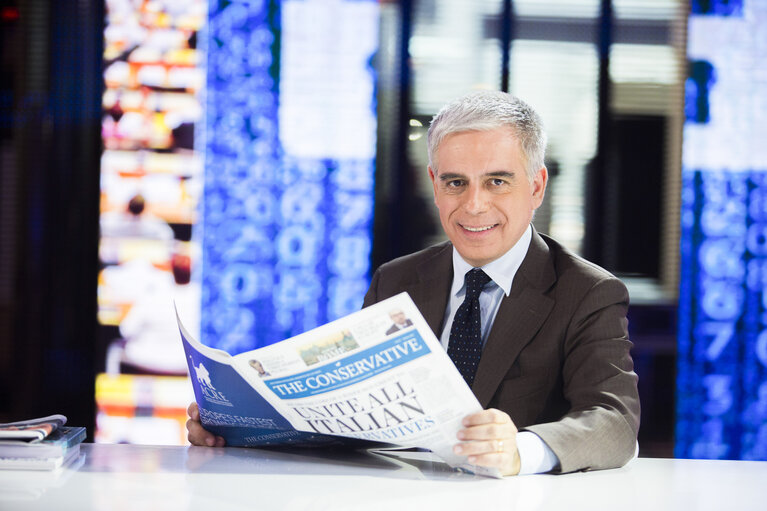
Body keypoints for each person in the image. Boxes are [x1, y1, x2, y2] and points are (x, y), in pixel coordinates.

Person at [187, 90, 640, 476]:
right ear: (433, 184)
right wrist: (238, 427)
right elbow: (346, 416)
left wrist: (522, 450)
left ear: (537, 186)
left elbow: (614, 421)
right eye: (455, 183)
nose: (474, 205)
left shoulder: (587, 292)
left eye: (498, 181)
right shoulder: (396, 279)